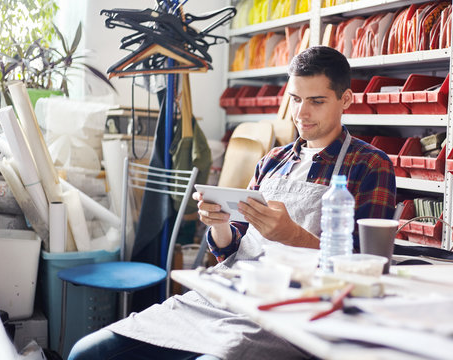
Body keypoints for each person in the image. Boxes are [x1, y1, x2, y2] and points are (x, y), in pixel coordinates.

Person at [68, 46, 396, 360]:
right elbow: (229, 250)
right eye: (295, 99)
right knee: (88, 352)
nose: (301, 112)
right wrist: (220, 224)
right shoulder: (273, 160)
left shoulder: (369, 165)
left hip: (290, 312)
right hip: (228, 293)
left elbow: (365, 271)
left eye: (316, 101)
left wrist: (293, 236)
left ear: (346, 100)